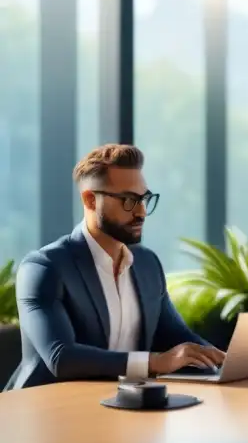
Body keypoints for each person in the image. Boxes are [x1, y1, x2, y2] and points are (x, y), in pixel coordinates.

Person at [5, 144, 225, 391]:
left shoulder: (146, 264)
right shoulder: (45, 267)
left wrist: (226, 361)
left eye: (143, 199)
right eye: (129, 200)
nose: (141, 212)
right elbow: (62, 358)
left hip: (122, 406)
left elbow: (176, 336)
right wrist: (154, 362)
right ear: (90, 199)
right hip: (45, 412)